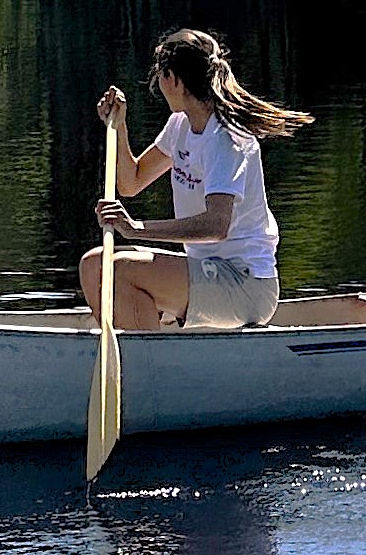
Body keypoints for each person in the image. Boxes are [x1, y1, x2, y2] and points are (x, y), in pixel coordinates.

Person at [84, 27, 311, 333]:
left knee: (119, 272)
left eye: (160, 75)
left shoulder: (226, 139)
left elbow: (217, 226)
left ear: (174, 80)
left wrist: (137, 229)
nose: (159, 84)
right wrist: (119, 127)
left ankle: (148, 368)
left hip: (246, 285)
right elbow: (132, 182)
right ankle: (139, 352)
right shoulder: (180, 124)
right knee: (93, 265)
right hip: (210, 275)